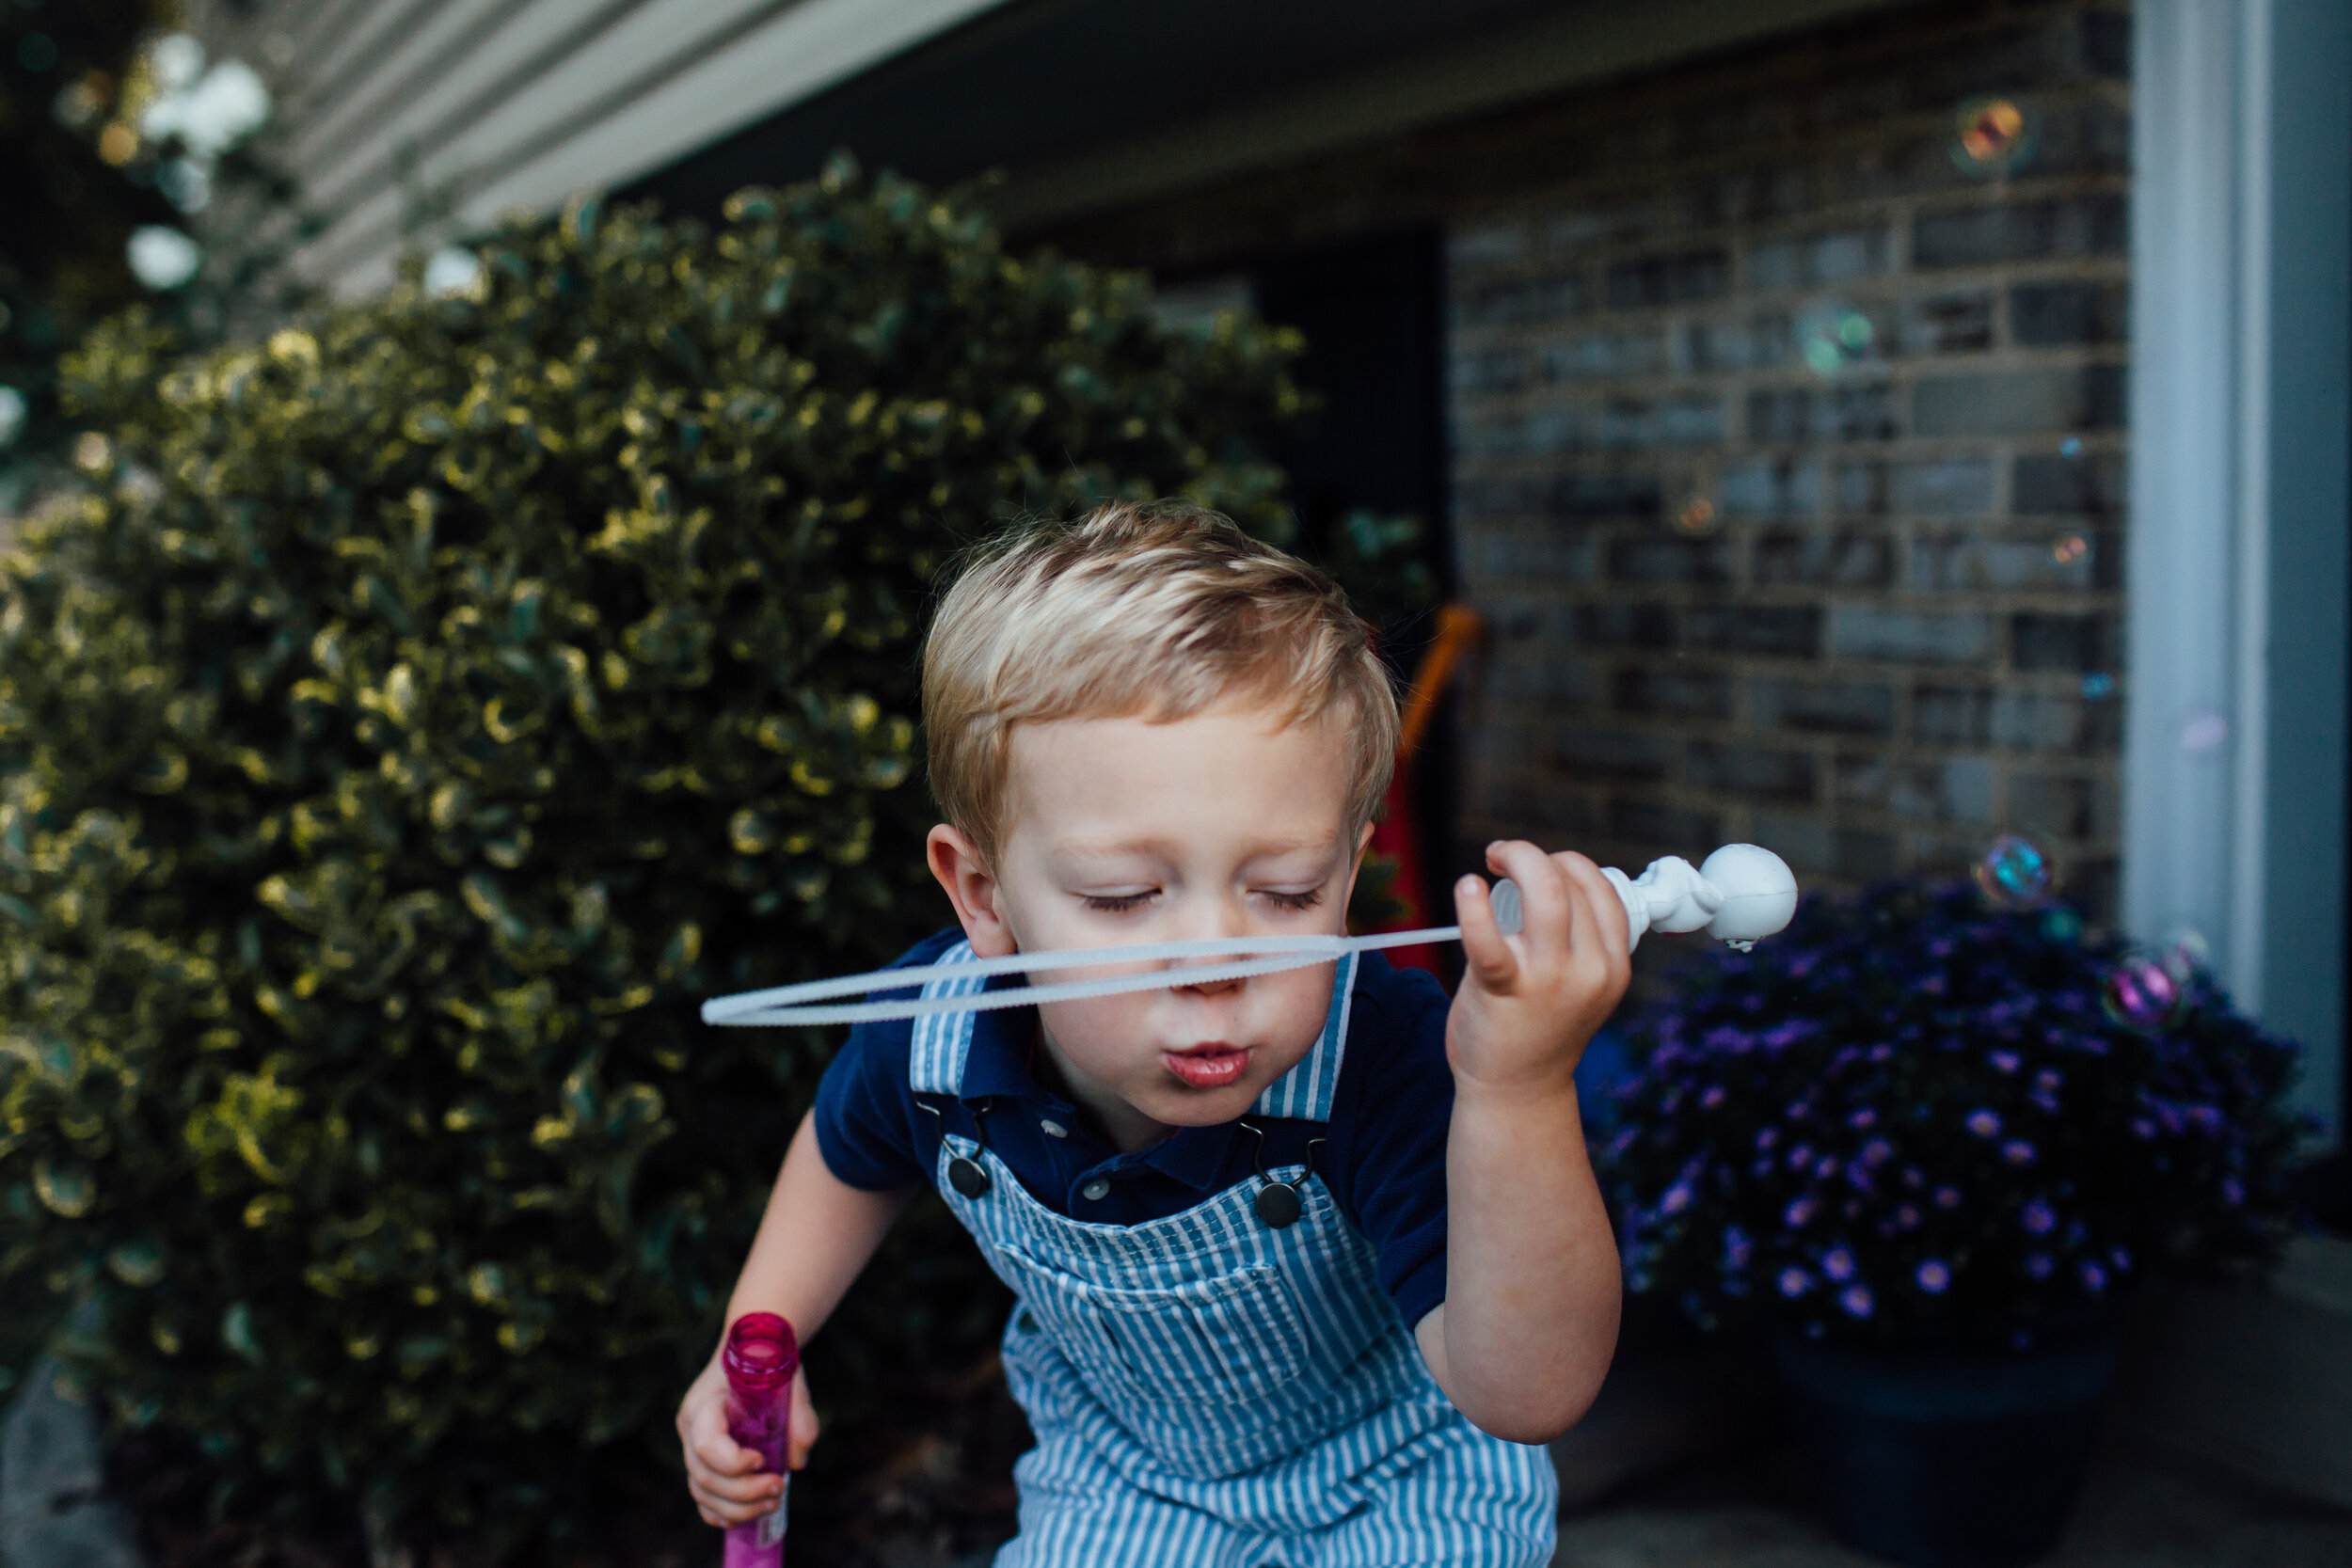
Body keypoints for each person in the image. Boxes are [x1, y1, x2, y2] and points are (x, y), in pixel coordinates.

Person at [675, 500, 1629, 1565]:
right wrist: (759, 1337)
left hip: (1402, 1483)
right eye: (1126, 896)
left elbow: (1532, 1391)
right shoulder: (935, 1035)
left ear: (1349, 875)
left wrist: (1519, 1087)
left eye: (1283, 889)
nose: (1215, 961)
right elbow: (847, 1154)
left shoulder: (1390, 1054)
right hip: (1126, 1480)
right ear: (983, 895)